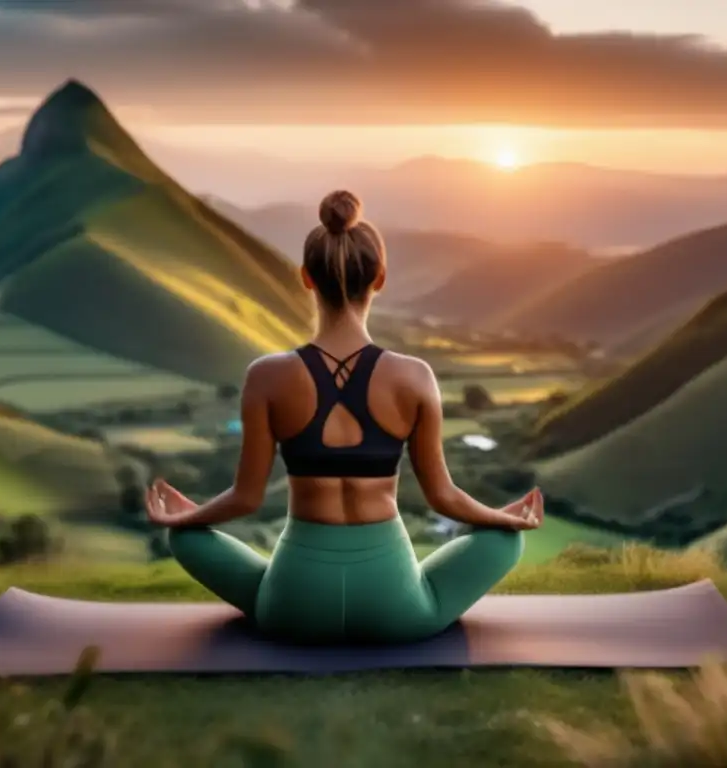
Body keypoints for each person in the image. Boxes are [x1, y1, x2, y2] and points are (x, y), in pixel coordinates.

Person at [145, 190, 544, 645]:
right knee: (507, 541)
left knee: (185, 538)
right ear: (380, 278)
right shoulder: (414, 376)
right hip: (395, 607)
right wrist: (501, 518)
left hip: (294, 606)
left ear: (306, 279)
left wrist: (187, 519)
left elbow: (246, 499)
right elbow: (443, 497)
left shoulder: (267, 376)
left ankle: (263, 591)